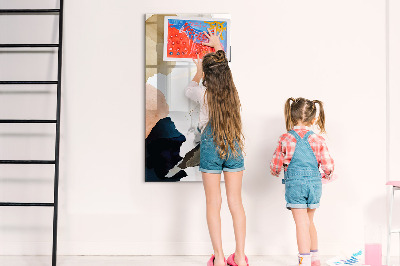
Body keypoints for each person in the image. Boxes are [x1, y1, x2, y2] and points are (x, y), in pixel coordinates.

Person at [185, 28, 248, 266]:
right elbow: (224, 70)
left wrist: (198, 70)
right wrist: (219, 47)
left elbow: (188, 90)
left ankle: (220, 258)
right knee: (236, 202)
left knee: (214, 203)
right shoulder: (233, 93)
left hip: (211, 147)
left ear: (208, 77)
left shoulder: (203, 94)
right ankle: (240, 257)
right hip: (233, 145)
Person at [270, 98, 335, 266]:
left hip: (295, 186)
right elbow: (328, 165)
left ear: (291, 117)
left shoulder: (285, 138)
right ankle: (315, 260)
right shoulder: (318, 139)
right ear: (313, 120)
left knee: (301, 224)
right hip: (314, 185)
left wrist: (276, 171)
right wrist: (327, 176)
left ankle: (304, 261)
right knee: (309, 222)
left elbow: (275, 164)